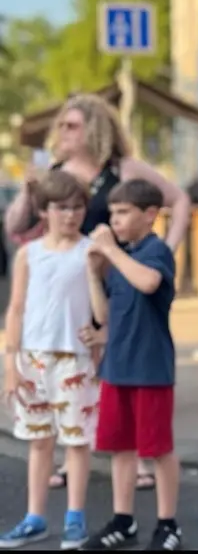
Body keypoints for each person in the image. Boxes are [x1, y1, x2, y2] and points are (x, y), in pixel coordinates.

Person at [4, 93, 191, 492]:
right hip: (76, 285)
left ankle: (140, 458)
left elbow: (178, 199)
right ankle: (74, 453)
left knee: (124, 366)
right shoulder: (55, 171)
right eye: (62, 125)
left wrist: (162, 253)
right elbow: (16, 226)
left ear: (95, 128)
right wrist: (27, 189)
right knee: (75, 366)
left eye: (71, 125)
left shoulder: (121, 169)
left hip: (122, 284)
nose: (62, 132)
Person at [0, 171, 101, 549]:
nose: (71, 215)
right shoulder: (30, 253)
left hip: (74, 359)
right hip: (32, 357)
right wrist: (11, 364)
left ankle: (75, 517)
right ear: (44, 210)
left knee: (76, 441)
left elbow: (100, 305)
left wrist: (100, 335)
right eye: (62, 207)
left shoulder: (90, 250)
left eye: (78, 207)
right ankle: (35, 517)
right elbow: (16, 309)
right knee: (38, 441)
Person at [80, 180, 182, 551]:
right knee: (120, 448)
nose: (115, 220)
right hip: (117, 368)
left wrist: (110, 250)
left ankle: (168, 524)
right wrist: (95, 272)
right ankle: (123, 520)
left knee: (157, 449)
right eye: (113, 213)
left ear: (150, 214)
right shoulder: (121, 257)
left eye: (123, 212)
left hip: (151, 369)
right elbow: (105, 315)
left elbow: (150, 282)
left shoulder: (155, 251)